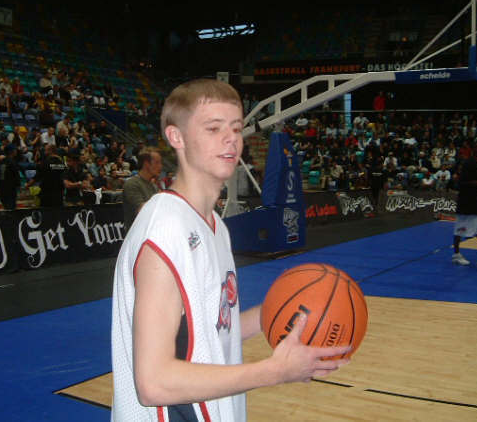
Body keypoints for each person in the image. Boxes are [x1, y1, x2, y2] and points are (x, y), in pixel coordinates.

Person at [111, 79, 350, 422]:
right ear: (176, 137)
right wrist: (274, 371)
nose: (231, 139)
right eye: (214, 128)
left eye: (236, 128)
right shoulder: (165, 228)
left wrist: (284, 309)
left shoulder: (215, 226)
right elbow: (154, 383)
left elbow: (212, 330)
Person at [451, 145, 477, 266]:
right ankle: (456, 254)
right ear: (474, 151)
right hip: (466, 203)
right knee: (459, 230)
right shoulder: (469, 163)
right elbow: (462, 182)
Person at [121, 147, 162, 231]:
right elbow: (142, 211)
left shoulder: (154, 186)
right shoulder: (132, 184)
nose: (160, 166)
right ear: (146, 164)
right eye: (157, 163)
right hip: (137, 236)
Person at [0, 143, 21, 210]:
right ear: (11, 151)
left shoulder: (1, 162)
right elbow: (16, 177)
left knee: (6, 208)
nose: (16, 151)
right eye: (15, 149)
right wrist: (18, 186)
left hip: (2, 189)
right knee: (11, 209)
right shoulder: (12, 163)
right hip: (10, 190)